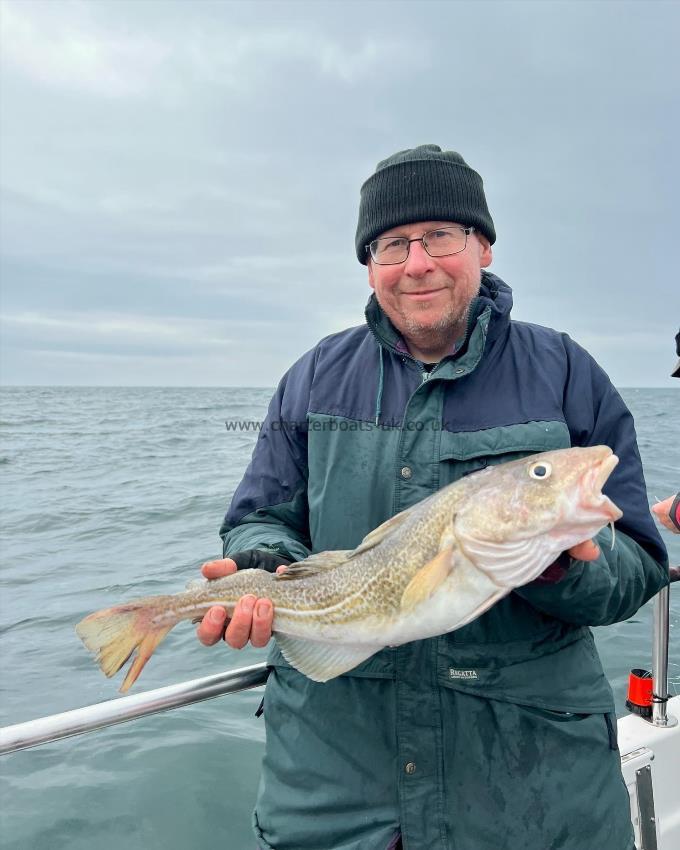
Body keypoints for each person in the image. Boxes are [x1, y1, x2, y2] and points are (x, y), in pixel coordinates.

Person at [197, 145, 668, 850]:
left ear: (482, 245)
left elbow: (638, 565)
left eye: (440, 236)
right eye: (393, 243)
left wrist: (559, 564)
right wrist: (265, 566)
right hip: (338, 791)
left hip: (533, 795)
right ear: (370, 263)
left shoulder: (567, 372)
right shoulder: (313, 376)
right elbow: (261, 516)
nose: (417, 263)